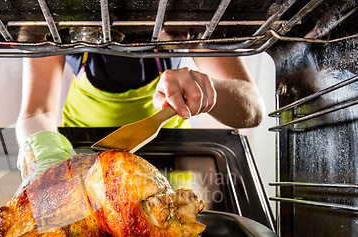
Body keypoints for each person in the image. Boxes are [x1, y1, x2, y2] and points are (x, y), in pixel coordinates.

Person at [16, 52, 264, 181]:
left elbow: (252, 109)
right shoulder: (54, 12)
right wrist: (45, 151)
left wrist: (205, 88)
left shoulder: (185, 12)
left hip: (169, 164)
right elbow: (35, 110)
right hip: (81, 157)